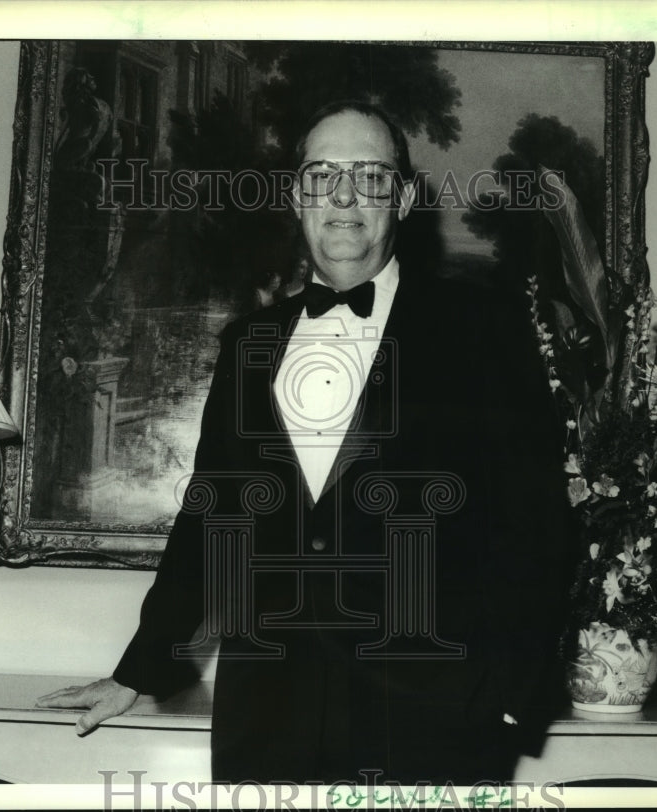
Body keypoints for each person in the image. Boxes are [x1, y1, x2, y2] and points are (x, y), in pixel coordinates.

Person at [38, 101, 574, 785]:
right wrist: (138, 672)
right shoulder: (245, 346)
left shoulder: (483, 330)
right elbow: (209, 520)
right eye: (322, 176)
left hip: (434, 720)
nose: (344, 197)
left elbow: (538, 524)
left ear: (404, 199)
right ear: (297, 197)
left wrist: (512, 691)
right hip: (267, 719)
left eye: (370, 176)